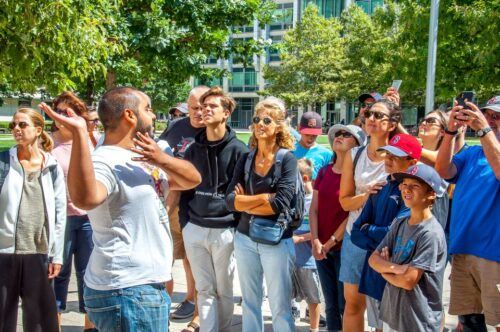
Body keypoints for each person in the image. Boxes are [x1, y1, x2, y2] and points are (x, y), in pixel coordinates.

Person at [40, 86, 202, 331]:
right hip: (126, 290)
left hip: (145, 286)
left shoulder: (151, 152)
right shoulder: (105, 159)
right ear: (130, 115)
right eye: (148, 109)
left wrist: (160, 158)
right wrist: (80, 135)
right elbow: (85, 199)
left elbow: (193, 179)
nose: (155, 115)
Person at [180, 87, 248, 332]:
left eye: (212, 106)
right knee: (204, 288)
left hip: (224, 230)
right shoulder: (193, 149)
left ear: (226, 113)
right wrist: (184, 222)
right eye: (202, 106)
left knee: (224, 289)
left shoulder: (240, 150)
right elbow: (185, 189)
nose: (205, 110)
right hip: (195, 228)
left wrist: (235, 225)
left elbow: (242, 194)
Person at [226, 98, 297, 332]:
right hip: (245, 237)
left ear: (278, 126)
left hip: (276, 240)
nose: (260, 124)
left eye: (267, 120)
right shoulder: (247, 158)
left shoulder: (287, 159)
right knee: (249, 302)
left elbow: (279, 204)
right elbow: (229, 201)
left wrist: (244, 201)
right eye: (257, 119)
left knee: (280, 306)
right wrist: (261, 199)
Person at [435, 97, 500, 331]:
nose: (491, 120)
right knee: (469, 321)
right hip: (464, 249)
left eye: (497, 116)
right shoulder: (472, 153)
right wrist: (450, 131)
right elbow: (443, 169)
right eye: (487, 115)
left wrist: (483, 128)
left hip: (494, 254)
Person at [0, 108, 66, 331]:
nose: (16, 129)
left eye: (22, 125)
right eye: (13, 126)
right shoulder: (3, 162)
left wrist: (57, 255)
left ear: (38, 130)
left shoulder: (52, 166)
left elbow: (59, 213)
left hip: (39, 251)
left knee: (40, 322)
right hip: (4, 252)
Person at [339, 99, 402, 332]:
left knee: (386, 305)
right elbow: (345, 202)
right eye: (369, 114)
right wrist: (366, 195)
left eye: (379, 115)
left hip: (389, 240)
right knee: (353, 304)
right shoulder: (354, 155)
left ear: (392, 123)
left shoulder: (400, 156)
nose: (371, 119)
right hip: (357, 237)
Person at [350, 134, 422, 331]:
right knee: (378, 327)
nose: (388, 160)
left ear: (412, 162)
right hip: (374, 271)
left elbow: (399, 232)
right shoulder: (380, 188)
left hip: (398, 272)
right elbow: (356, 232)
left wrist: (370, 230)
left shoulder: (415, 192)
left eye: (395, 156)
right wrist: (378, 235)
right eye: (387, 154)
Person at [369, 164, 448, 332]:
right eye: (404, 184)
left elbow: (408, 281)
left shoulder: (430, 233)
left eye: (415, 186)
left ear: (431, 194)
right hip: (394, 315)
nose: (406, 189)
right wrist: (396, 268)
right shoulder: (400, 223)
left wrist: (384, 271)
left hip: (418, 321)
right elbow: (373, 259)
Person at [159, 86, 209, 330]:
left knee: (195, 260)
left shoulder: (215, 130)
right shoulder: (176, 128)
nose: (199, 112)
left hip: (201, 204)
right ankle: (162, 311)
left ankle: (196, 311)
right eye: (193, 108)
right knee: (165, 256)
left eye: (203, 107)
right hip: (173, 201)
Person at [310, 124, 366, 331]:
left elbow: (353, 213)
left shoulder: (356, 177)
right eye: (338, 134)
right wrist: (315, 240)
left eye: (346, 135)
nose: (339, 137)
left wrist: (332, 241)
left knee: (347, 304)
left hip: (345, 247)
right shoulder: (324, 172)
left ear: (358, 145)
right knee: (331, 303)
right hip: (321, 248)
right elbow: (313, 209)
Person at [50, 92, 96, 331]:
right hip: (60, 219)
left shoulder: (90, 140)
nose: (61, 116)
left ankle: (89, 326)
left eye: (67, 112)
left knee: (89, 273)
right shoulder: (47, 142)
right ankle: (55, 324)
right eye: (57, 111)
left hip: (88, 217)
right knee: (58, 272)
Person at [290, 158, 321, 331]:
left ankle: (314, 328)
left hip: (308, 261)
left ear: (304, 179)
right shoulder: (292, 199)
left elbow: (320, 231)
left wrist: (300, 239)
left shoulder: (315, 201)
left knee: (313, 298)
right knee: (287, 295)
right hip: (290, 257)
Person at [293, 111, 333, 180]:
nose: (310, 138)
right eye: (307, 134)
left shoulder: (326, 154)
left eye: (314, 135)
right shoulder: (290, 151)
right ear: (299, 128)